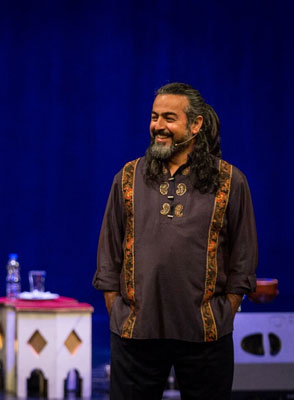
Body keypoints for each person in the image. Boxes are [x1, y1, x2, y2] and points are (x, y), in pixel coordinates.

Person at [93, 83, 257, 399]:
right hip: (136, 332)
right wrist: (117, 309)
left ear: (195, 125)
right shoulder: (128, 177)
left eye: (169, 118)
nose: (159, 126)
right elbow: (109, 251)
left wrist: (225, 310)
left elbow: (243, 255)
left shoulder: (229, 180)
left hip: (205, 333)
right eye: (154, 117)